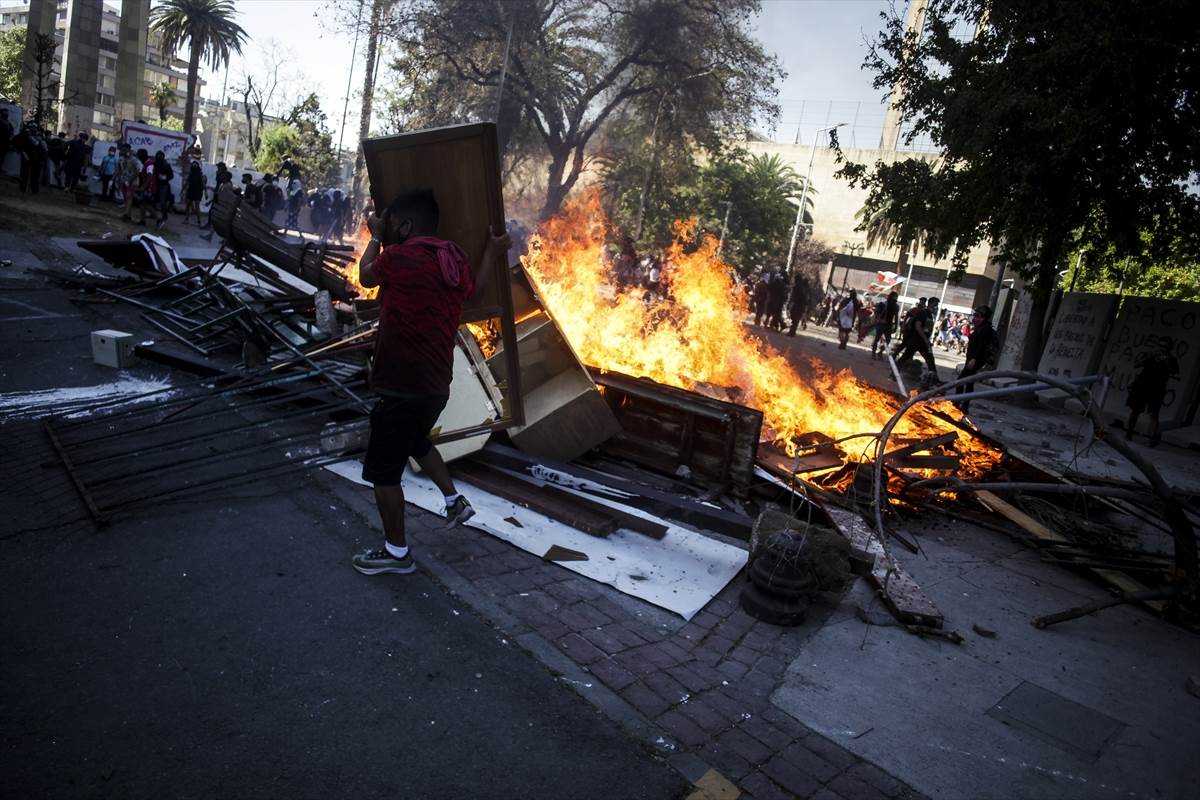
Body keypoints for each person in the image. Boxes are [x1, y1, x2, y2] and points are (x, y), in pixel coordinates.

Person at [350, 188, 510, 575]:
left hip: (401, 383)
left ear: (404, 226)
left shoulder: (400, 257)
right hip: (435, 385)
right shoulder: (452, 258)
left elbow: (366, 276)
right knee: (417, 441)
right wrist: (492, 250)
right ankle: (453, 499)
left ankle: (396, 553)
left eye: (389, 224)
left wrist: (374, 236)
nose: (384, 229)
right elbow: (477, 290)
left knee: (383, 472)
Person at [1125, 335, 1180, 447]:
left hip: (1157, 388)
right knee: (1136, 410)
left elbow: (1174, 372)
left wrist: (1166, 361)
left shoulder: (1171, 360)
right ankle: (1129, 433)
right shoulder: (1150, 354)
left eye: (1164, 347)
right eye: (1160, 346)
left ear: (1169, 349)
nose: (1161, 349)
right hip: (1143, 385)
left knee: (1154, 414)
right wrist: (1150, 357)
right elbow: (1136, 364)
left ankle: (1152, 439)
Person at [953, 306, 998, 412]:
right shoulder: (979, 328)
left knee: (960, 381)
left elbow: (982, 346)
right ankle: (964, 406)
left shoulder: (985, 329)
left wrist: (974, 359)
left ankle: (958, 402)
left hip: (976, 360)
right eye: (975, 316)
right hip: (972, 359)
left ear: (984, 317)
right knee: (969, 382)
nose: (975, 319)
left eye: (978, 316)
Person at [894, 296, 940, 383]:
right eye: (935, 305)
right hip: (916, 340)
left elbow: (927, 329)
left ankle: (935, 380)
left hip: (923, 342)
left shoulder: (930, 315)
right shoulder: (922, 313)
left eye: (937, 305)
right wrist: (925, 339)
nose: (936, 307)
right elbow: (918, 326)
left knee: (930, 359)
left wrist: (927, 340)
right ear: (930, 304)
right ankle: (893, 374)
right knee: (905, 357)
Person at [13, 123, 47, 194]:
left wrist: (41, 158)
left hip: (36, 158)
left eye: (34, 128)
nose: (33, 129)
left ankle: (34, 190)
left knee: (35, 175)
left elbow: (43, 149)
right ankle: (23, 188)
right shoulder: (24, 135)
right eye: (32, 128)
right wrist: (22, 152)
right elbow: (15, 141)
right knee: (24, 173)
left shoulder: (39, 137)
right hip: (26, 156)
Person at [115, 144, 142, 220]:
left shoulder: (134, 160)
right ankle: (128, 214)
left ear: (129, 150)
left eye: (125, 150)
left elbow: (137, 172)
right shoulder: (121, 159)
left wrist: (130, 181)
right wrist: (116, 179)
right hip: (123, 180)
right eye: (122, 150)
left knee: (129, 197)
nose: (123, 151)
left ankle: (126, 214)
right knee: (125, 198)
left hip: (132, 182)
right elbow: (119, 170)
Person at [872, 291, 899, 359]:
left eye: (896, 297)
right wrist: (878, 320)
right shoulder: (883, 304)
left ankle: (880, 351)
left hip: (888, 325)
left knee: (888, 340)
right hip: (881, 324)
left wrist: (895, 326)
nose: (895, 298)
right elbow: (876, 312)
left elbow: (896, 317)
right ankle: (873, 353)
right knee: (877, 339)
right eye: (894, 297)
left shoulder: (896, 306)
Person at [151, 151, 174, 230]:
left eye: (161, 156)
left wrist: (165, 177)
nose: (159, 158)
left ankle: (164, 216)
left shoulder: (166, 165)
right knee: (153, 200)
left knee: (162, 201)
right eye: (158, 156)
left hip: (163, 185)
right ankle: (155, 215)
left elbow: (171, 175)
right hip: (155, 184)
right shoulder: (154, 164)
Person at [285, 166, 304, 233]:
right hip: (291, 207)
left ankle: (299, 234)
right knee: (290, 221)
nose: (293, 184)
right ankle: (285, 232)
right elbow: (289, 199)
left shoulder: (299, 191)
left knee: (292, 222)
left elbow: (299, 201)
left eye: (294, 183)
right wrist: (287, 207)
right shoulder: (293, 191)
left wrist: (296, 209)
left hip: (295, 209)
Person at [0, 108, 14, 177]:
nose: (6, 114)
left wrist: (11, 139)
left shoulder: (8, 123)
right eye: (4, 112)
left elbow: (12, 131)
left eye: (7, 112)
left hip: (5, 143)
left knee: (2, 157)